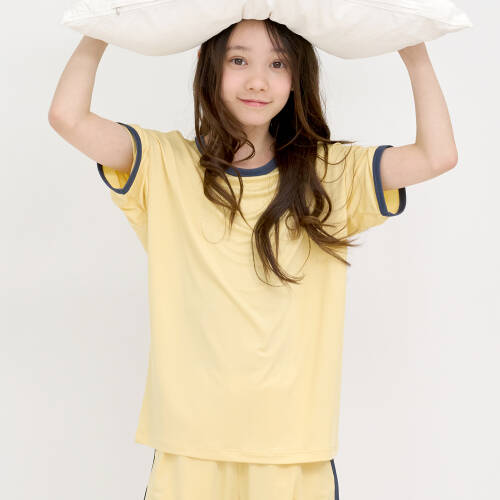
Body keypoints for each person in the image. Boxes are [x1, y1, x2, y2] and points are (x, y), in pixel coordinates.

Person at [48, 17, 458, 500]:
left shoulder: (330, 173)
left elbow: (437, 156)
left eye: (277, 64)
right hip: (189, 446)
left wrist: (413, 50)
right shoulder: (164, 163)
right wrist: (102, 26)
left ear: (297, 76)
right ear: (207, 65)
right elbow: (68, 117)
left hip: (292, 451)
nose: (258, 81)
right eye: (239, 60)